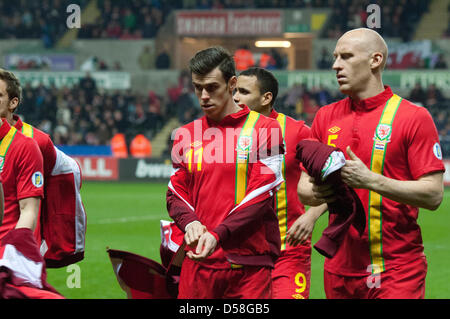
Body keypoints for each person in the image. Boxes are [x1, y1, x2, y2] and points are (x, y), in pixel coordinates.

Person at [297, 28, 445, 299]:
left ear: (375, 60)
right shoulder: (325, 117)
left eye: (346, 56)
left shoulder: (413, 117)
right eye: (335, 57)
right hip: (338, 270)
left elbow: (434, 194)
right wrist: (323, 190)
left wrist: (371, 181)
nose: (335, 65)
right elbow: (304, 189)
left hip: (397, 270)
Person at [166, 46, 285, 299]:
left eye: (212, 87)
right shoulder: (185, 134)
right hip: (197, 265)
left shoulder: (267, 129)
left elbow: (262, 194)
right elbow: (175, 191)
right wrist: (192, 223)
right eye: (198, 87)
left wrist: (218, 234)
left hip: (248, 269)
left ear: (232, 84)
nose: (203, 96)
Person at [234, 67, 324, 299]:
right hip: (241, 253)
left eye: (243, 92)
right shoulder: (225, 134)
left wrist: (311, 215)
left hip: (288, 249)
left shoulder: (297, 132)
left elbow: (337, 179)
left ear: (266, 98)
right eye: (234, 91)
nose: (235, 97)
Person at [0, 69, 86, 268]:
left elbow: (63, 177)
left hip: (14, 246)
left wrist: (52, 237)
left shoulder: (34, 142)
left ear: (13, 103)